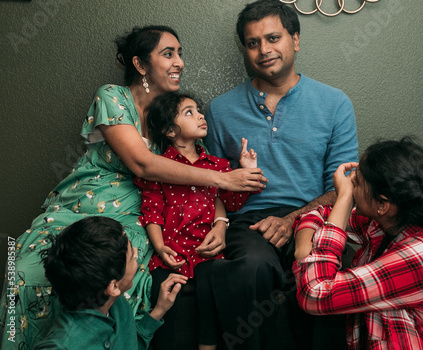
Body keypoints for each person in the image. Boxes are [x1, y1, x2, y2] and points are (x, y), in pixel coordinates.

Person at [0, 25, 266, 350]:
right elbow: (142, 163)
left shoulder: (173, 115)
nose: (179, 62)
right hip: (81, 203)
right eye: (168, 54)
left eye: (180, 53)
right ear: (140, 65)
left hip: (138, 212)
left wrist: (221, 220)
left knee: (122, 275)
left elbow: (198, 181)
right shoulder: (112, 96)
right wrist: (226, 178)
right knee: (25, 271)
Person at [203, 0, 358, 348]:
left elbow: (343, 186)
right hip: (250, 222)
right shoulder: (219, 110)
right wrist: (221, 222)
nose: (264, 50)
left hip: (315, 216)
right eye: (253, 42)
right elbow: (210, 183)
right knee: (250, 268)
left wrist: (291, 221)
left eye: (273, 38)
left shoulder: (334, 103)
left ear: (296, 40)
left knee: (324, 272)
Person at [293, 137, 423, 349]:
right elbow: (318, 214)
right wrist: (302, 249)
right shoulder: (383, 225)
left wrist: (343, 197)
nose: (350, 184)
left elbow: (315, 295)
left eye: (357, 183)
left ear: (382, 204)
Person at [134, 92, 259, 350]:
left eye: (198, 110)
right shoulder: (160, 167)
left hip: (207, 252)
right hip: (172, 251)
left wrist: (245, 171)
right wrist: (159, 248)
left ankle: (208, 346)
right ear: (170, 130)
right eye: (189, 112)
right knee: (161, 288)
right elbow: (152, 211)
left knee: (213, 285)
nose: (201, 115)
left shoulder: (218, 165)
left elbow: (233, 204)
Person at [33, 216, 188, 350]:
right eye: (131, 256)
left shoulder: (115, 303)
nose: (136, 251)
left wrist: (159, 309)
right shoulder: (60, 345)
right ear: (113, 286)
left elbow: (129, 344)